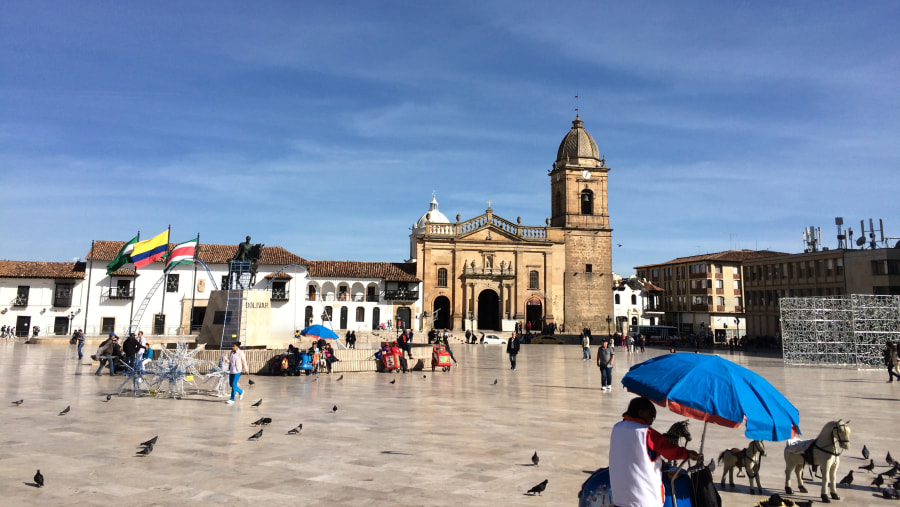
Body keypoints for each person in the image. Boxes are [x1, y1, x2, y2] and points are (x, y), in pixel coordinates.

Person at [609, 397, 700, 507]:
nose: (653, 417)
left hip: (620, 498)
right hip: (644, 499)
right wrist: (687, 453)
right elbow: (669, 451)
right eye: (651, 413)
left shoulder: (617, 428)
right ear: (640, 412)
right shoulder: (647, 433)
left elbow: (633, 454)